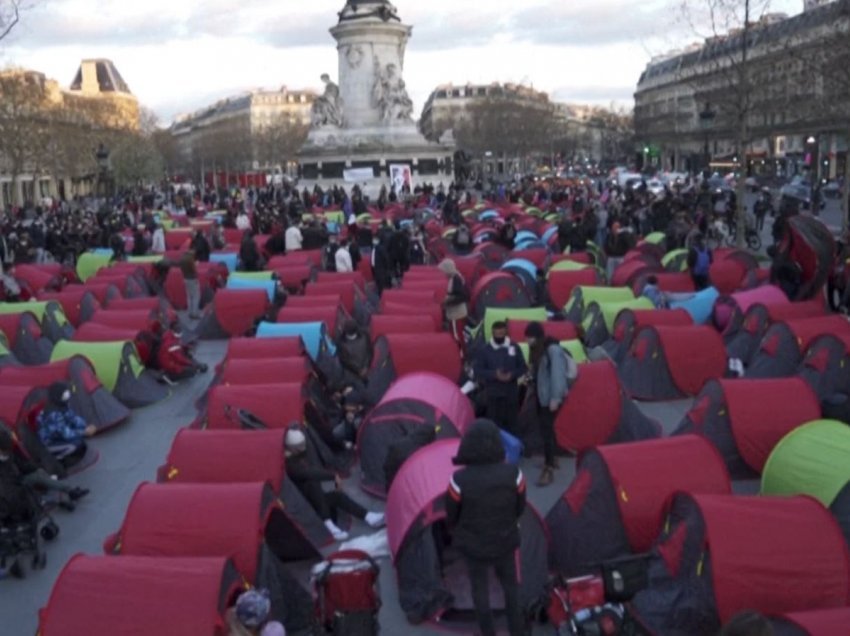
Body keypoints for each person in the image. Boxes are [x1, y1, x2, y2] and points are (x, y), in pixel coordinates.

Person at [446, 419, 527, 636]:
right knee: (511, 589)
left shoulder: (458, 479)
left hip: (474, 546)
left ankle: (487, 632)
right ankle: (517, 631)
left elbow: (451, 515)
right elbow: (520, 508)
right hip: (505, 540)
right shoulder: (514, 473)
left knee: (480, 591)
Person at [285, 426, 384, 542]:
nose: (303, 448)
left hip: (316, 500)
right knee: (312, 484)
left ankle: (369, 517)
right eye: (299, 446)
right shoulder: (289, 465)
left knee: (337, 496)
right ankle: (329, 526)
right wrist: (333, 476)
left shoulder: (299, 457)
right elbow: (308, 473)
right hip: (305, 506)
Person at [524, 322, 575, 487]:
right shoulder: (536, 350)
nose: (527, 340)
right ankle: (553, 457)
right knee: (547, 428)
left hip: (550, 398)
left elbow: (557, 376)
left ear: (537, 337)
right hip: (541, 396)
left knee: (546, 430)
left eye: (529, 337)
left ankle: (549, 468)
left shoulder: (553, 350)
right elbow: (538, 371)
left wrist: (555, 399)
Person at [473, 321, 527, 435]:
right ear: (492, 333)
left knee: (512, 426)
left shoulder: (514, 346)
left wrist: (511, 375)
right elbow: (478, 371)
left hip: (511, 394)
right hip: (493, 395)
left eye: (502, 334)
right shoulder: (485, 350)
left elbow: (523, 367)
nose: (500, 337)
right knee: (494, 427)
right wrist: (494, 374)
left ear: (506, 332)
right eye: (497, 335)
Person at [36, 382, 97, 465]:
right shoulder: (52, 413)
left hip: (59, 437)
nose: (67, 394)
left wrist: (86, 426)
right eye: (64, 393)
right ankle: (55, 459)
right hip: (50, 442)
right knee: (76, 445)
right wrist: (84, 432)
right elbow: (65, 433)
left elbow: (73, 418)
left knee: (81, 443)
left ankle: (65, 455)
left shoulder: (62, 405)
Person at [438, 259, 469, 351]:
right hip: (455, 313)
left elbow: (462, 296)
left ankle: (461, 356)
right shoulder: (454, 277)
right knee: (457, 334)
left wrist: (447, 300)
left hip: (456, 314)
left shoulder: (456, 279)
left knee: (457, 336)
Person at [336, 320, 372, 386]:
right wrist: (366, 366)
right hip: (367, 370)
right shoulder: (365, 335)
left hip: (352, 375)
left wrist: (359, 371)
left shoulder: (340, 343)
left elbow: (344, 361)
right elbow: (370, 352)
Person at [179, 249, 201, 319]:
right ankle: (194, 313)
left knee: (189, 296)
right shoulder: (190, 260)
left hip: (185, 278)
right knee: (196, 296)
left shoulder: (182, 260)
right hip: (192, 279)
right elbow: (194, 270)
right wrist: (196, 264)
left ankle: (190, 312)